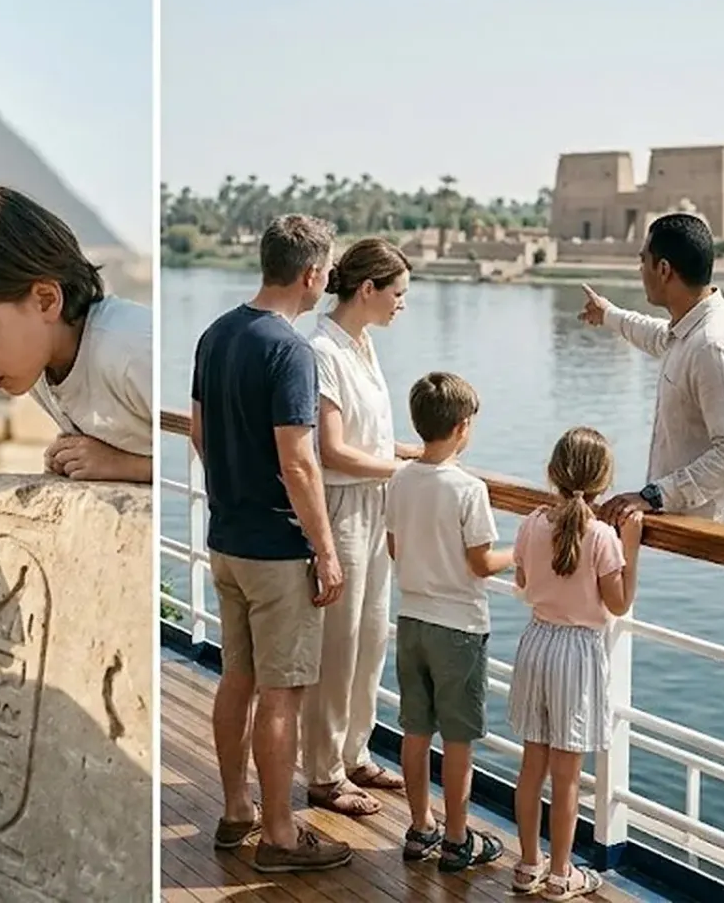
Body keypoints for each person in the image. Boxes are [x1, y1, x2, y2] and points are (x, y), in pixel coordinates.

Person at [189, 213, 351, 873]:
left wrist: (234, 488)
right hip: (278, 552)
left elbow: (199, 431)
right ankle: (281, 837)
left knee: (239, 680)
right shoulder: (290, 351)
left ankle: (237, 814)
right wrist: (326, 548)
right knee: (282, 694)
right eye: (327, 271)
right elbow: (300, 461)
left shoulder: (215, 334)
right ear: (311, 274)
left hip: (226, 540)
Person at [0, 185, 152, 483]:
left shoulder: (130, 349)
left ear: (45, 300)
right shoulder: (39, 364)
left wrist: (126, 465)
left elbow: (213, 446)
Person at [300, 236, 419, 816]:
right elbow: (333, 450)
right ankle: (322, 772)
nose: (402, 303)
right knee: (338, 644)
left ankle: (355, 753)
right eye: (397, 292)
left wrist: (415, 455)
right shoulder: (322, 349)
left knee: (372, 639)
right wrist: (400, 468)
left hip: (378, 505)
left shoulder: (363, 344)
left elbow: (366, 438)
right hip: (344, 508)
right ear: (367, 289)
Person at [508, 426, 644, 900]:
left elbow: (523, 580)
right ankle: (563, 874)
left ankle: (528, 866)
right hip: (577, 654)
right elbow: (620, 602)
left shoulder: (531, 523)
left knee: (532, 766)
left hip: (536, 643)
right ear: (604, 483)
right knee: (566, 776)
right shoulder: (604, 536)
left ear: (552, 473)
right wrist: (634, 546)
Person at [385, 371, 511, 872]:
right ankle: (458, 839)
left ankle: (420, 828)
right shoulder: (469, 489)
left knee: (415, 730)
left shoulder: (399, 478)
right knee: (458, 739)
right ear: (462, 427)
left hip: (411, 620)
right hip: (458, 627)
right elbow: (481, 563)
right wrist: (519, 556)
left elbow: (395, 547)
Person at [576, 212, 724, 527]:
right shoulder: (693, 331)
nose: (639, 270)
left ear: (663, 269)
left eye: (642, 260)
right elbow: (660, 337)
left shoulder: (714, 345)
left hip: (712, 538)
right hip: (684, 529)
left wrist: (654, 496)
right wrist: (608, 315)